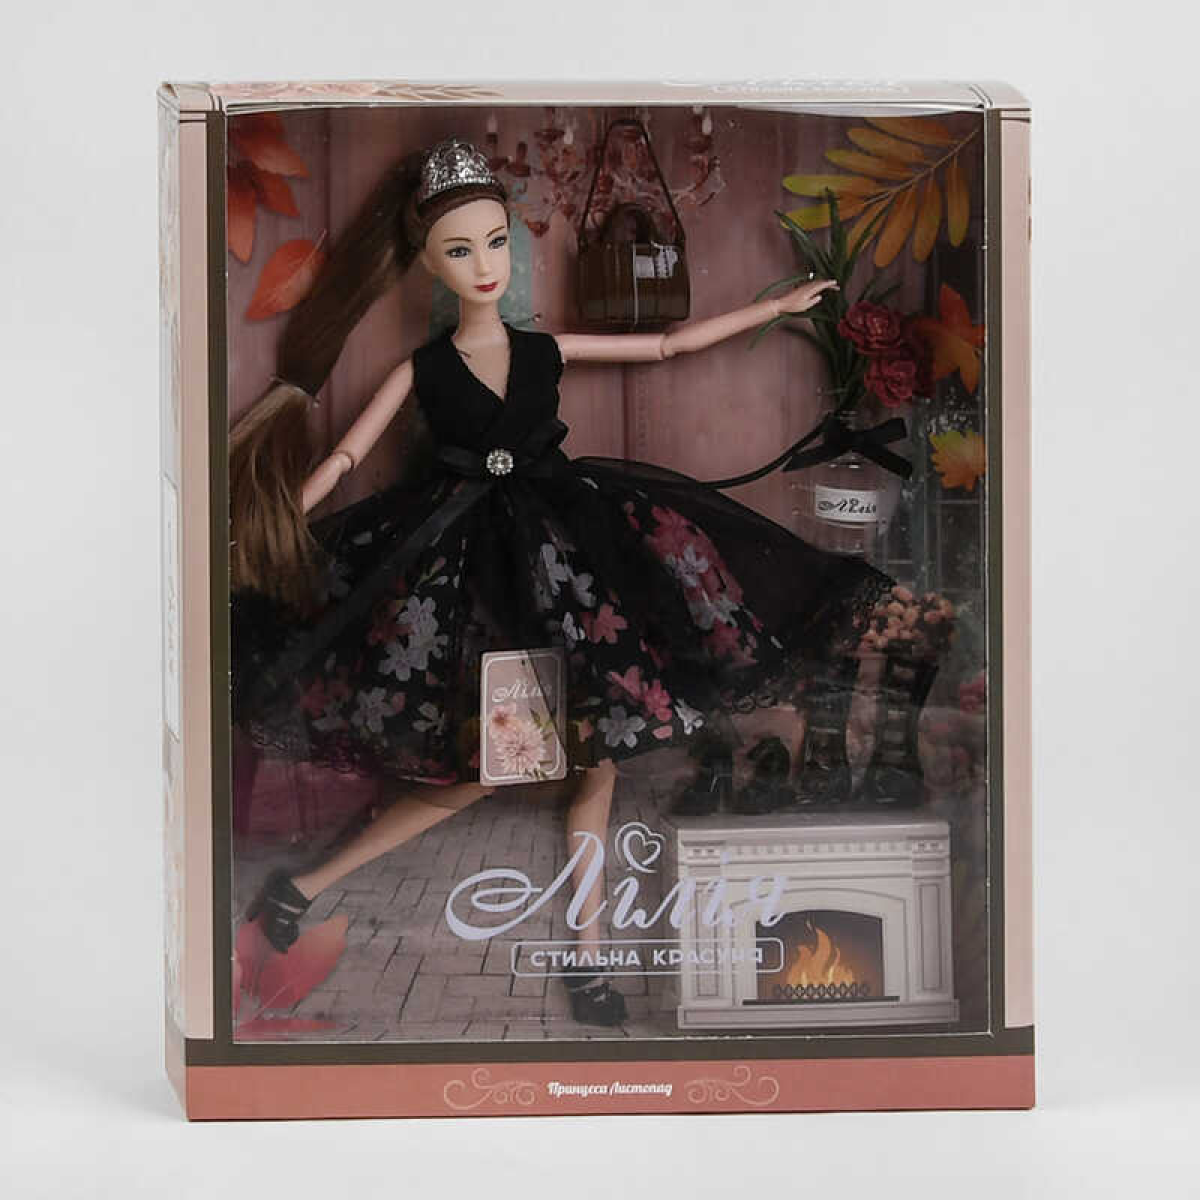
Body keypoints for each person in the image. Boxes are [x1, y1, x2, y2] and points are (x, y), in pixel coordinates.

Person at [233, 138, 891, 1026]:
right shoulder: (422, 369)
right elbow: (349, 457)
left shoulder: (541, 349)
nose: (483, 264)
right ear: (427, 262)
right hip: (471, 576)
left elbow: (665, 345)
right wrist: (271, 520)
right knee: (486, 770)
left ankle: (587, 960)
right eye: (459, 250)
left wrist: (769, 308)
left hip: (572, 563)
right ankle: (307, 884)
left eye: (495, 242)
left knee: (595, 768)